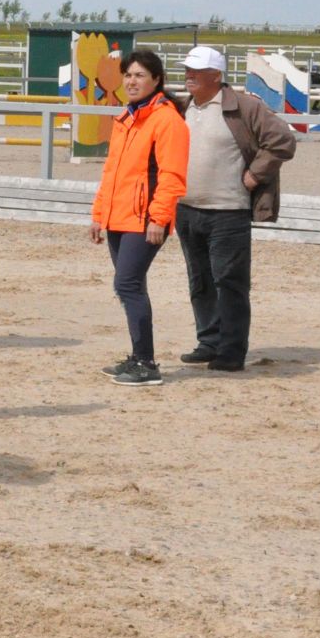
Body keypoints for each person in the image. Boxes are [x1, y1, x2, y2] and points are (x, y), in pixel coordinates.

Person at [173, 46, 298, 372]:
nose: (189, 75)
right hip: (186, 209)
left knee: (229, 282)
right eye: (187, 69)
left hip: (228, 211)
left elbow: (283, 141)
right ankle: (209, 341)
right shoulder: (185, 107)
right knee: (199, 280)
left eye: (196, 71)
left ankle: (231, 350)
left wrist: (257, 173)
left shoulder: (245, 107)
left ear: (216, 76)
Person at [88, 49, 189, 386]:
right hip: (119, 217)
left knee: (127, 284)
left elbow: (172, 175)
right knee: (131, 286)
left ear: (156, 80)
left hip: (145, 219)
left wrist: (159, 218)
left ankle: (146, 363)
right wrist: (99, 214)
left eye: (139, 75)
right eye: (128, 75)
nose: (132, 81)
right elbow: (112, 171)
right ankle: (138, 357)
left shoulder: (167, 119)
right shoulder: (127, 118)